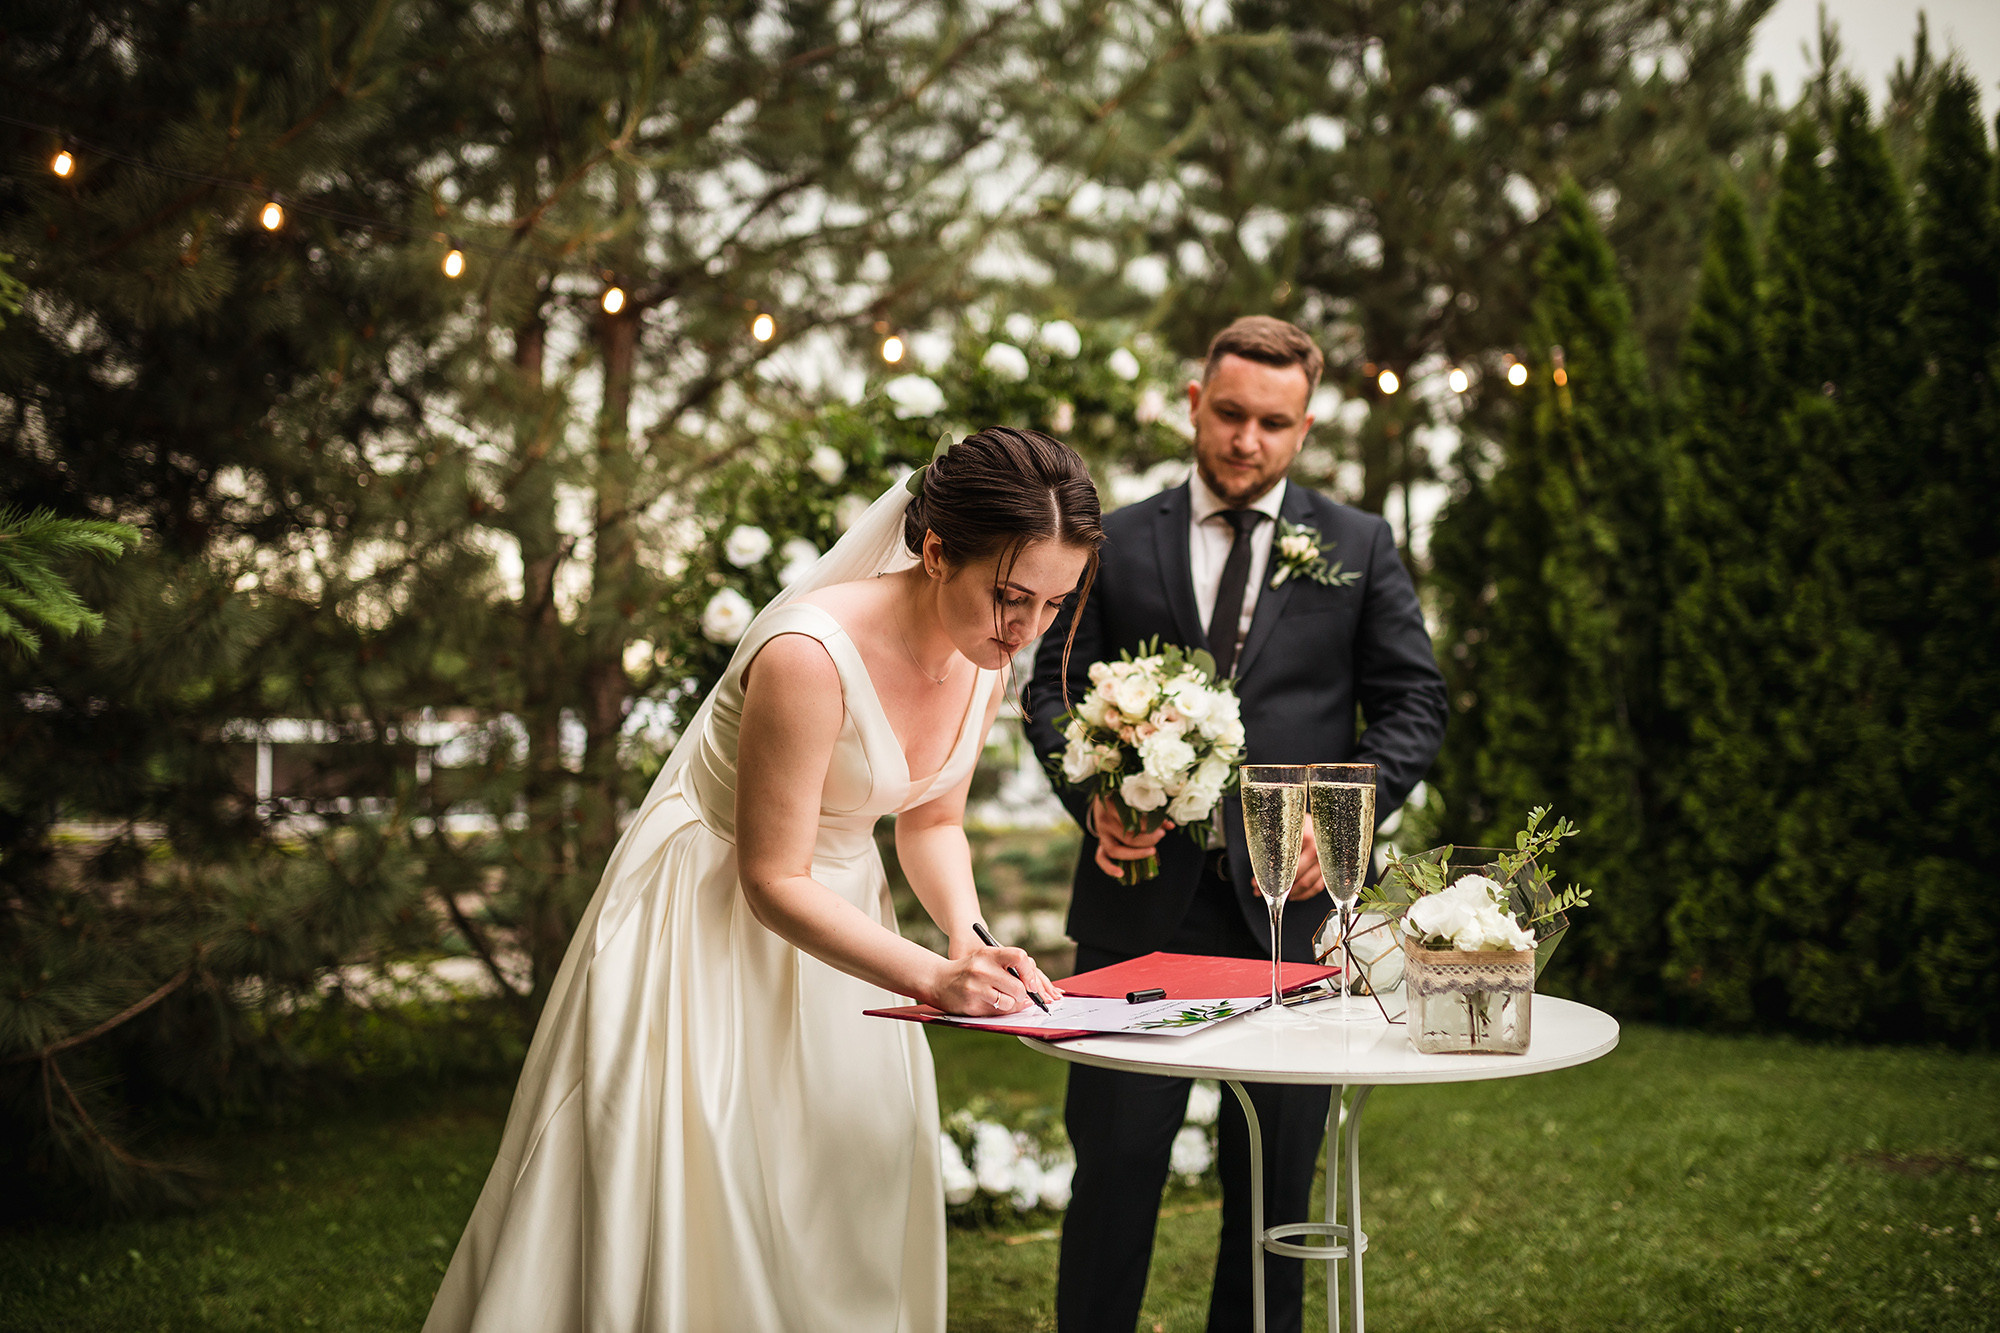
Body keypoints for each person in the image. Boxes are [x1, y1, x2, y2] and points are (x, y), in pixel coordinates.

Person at [426, 426, 1103, 1333]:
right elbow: (772, 877)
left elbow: (931, 819)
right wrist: (930, 978)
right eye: (1011, 596)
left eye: (1053, 605)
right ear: (937, 551)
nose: (1026, 630)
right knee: (710, 1180)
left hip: (849, 923)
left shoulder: (983, 660)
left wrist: (967, 933)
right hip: (709, 922)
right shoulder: (807, 654)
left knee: (840, 1182)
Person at [1026, 316, 1448, 1333]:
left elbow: (1413, 703)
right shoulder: (1111, 539)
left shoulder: (1357, 544)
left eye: (1271, 422)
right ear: (1192, 403)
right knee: (1113, 1175)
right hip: (1136, 909)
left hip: (1296, 924)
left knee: (1271, 1193)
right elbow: (1049, 685)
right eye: (1227, 414)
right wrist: (1091, 798)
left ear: (1302, 428)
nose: (1245, 441)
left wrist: (1337, 825)